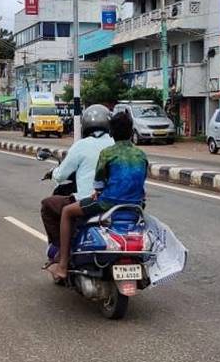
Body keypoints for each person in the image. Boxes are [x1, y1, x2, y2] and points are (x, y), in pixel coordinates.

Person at [47, 111, 148, 280]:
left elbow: (99, 183)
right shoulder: (141, 154)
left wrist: (97, 192)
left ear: (112, 133)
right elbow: (141, 180)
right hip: (136, 205)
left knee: (67, 212)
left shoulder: (107, 153)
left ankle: (63, 265)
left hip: (107, 204)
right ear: (131, 132)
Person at [40, 105, 114, 265]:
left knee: (48, 205)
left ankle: (62, 255)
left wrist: (53, 173)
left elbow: (61, 175)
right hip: (118, 201)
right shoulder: (116, 145)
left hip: (93, 201)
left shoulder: (81, 145)